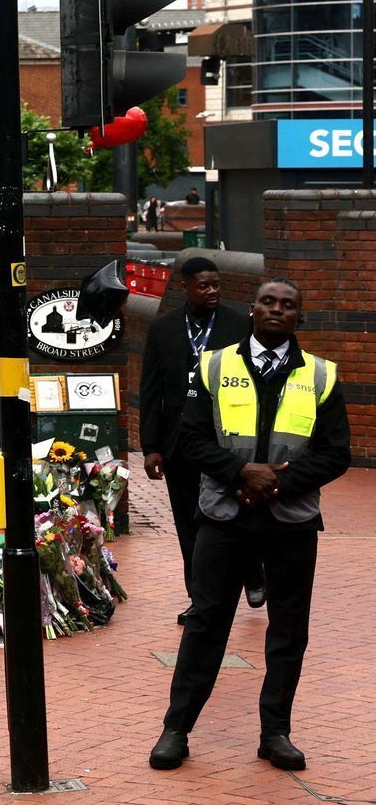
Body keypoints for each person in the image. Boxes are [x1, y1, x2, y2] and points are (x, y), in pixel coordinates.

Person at [150, 278, 350, 773]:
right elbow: (191, 438)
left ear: (299, 317)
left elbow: (336, 452)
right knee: (205, 623)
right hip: (224, 517)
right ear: (253, 310)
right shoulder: (215, 365)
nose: (277, 309)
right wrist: (240, 472)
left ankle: (275, 734)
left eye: (288, 304)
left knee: (289, 630)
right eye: (268, 302)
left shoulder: (321, 375)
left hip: (290, 522)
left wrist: (277, 483)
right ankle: (176, 730)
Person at [139, 257, 253, 623]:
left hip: (226, 443)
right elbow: (151, 390)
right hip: (179, 445)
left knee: (237, 515)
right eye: (204, 286)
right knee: (190, 525)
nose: (212, 291)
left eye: (216, 285)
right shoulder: (163, 328)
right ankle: (199, 600)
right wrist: (151, 447)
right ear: (184, 287)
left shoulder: (240, 324)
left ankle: (253, 571)